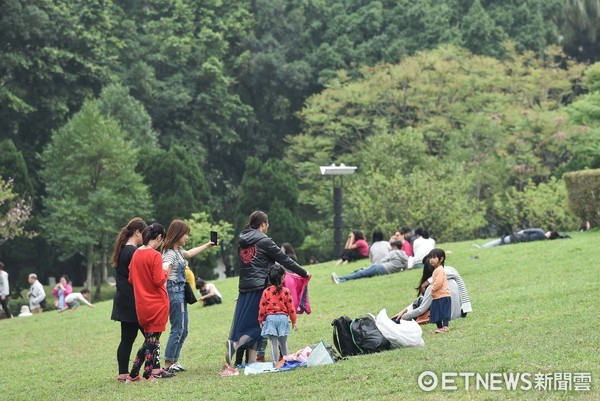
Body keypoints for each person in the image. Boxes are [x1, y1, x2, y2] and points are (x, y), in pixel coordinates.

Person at [225, 210, 309, 375]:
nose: (268, 226)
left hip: (244, 288)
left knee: (245, 324)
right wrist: (303, 272)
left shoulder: (242, 240)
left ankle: (250, 361)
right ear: (263, 224)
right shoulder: (264, 241)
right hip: (260, 288)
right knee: (260, 325)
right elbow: (284, 259)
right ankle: (234, 345)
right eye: (267, 223)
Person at [111, 218, 170, 382]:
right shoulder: (141, 253)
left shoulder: (129, 251)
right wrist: (165, 270)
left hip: (127, 299)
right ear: (138, 233)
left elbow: (131, 277)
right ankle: (151, 371)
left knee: (130, 339)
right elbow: (154, 279)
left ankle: (128, 374)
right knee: (151, 339)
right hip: (142, 301)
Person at [162, 219, 216, 374]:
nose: (187, 237)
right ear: (178, 234)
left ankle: (174, 360)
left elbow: (190, 253)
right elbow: (163, 276)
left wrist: (207, 245)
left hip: (181, 292)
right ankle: (167, 364)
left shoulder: (178, 251)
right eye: (185, 234)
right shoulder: (169, 255)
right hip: (173, 292)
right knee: (178, 328)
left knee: (184, 330)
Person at [391, 256, 467, 323]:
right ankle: (401, 313)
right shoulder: (451, 278)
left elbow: (421, 309)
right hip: (459, 313)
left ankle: (397, 318)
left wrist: (405, 316)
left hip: (446, 317)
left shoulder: (433, 285)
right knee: (421, 301)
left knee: (420, 303)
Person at [258, 265, 297, 367]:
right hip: (283, 319)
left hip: (270, 319)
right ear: (283, 277)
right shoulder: (286, 291)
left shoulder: (266, 291)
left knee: (273, 343)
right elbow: (291, 308)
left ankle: (275, 363)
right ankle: (287, 362)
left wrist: (260, 320)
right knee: (283, 343)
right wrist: (294, 321)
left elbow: (262, 307)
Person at [331, 241, 408, 284]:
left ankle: (340, 279)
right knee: (363, 272)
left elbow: (383, 261)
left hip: (381, 268)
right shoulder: (404, 255)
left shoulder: (393, 252)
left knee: (362, 273)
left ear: (394, 247)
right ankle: (342, 279)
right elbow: (405, 267)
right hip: (384, 270)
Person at [428, 248, 451, 333]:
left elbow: (439, 282)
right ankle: (440, 327)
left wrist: (432, 289)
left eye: (434, 257)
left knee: (443, 312)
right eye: (430, 258)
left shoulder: (440, 270)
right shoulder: (436, 270)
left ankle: (445, 326)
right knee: (437, 312)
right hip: (437, 296)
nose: (431, 260)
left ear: (441, 259)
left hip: (443, 295)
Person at [476, 228, 567, 248]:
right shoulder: (543, 240)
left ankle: (482, 247)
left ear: (550, 233)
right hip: (517, 242)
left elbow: (526, 231)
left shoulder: (540, 231)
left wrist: (516, 233)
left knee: (499, 241)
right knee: (500, 245)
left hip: (517, 237)